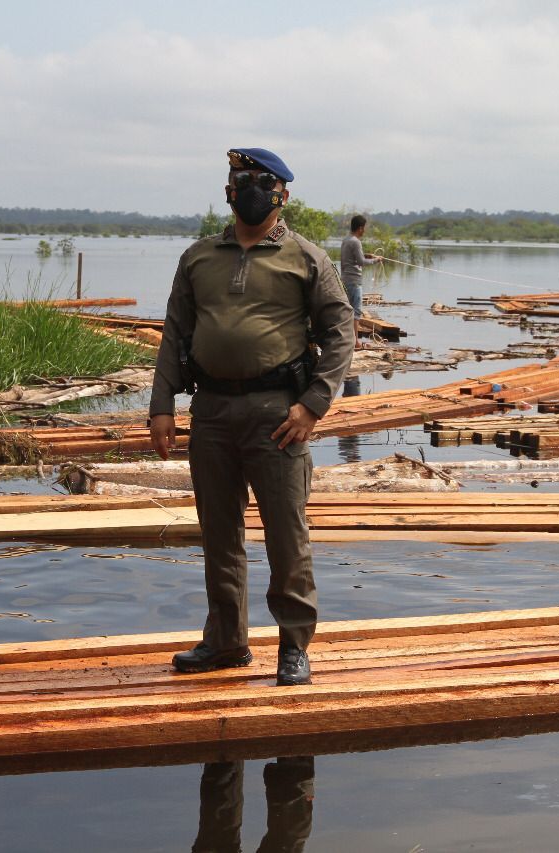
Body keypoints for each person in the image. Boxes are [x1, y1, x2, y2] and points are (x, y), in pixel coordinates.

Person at [149, 147, 355, 687]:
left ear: (282, 194)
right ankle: (225, 641)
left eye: (260, 182)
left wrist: (313, 404)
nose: (249, 190)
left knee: (286, 535)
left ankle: (294, 646)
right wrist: (162, 405)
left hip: (278, 416)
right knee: (219, 534)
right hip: (211, 412)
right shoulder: (198, 257)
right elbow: (174, 332)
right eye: (240, 181)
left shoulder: (307, 258)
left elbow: (341, 333)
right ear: (228, 191)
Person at [339, 215, 382, 347]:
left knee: (347, 311)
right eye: (364, 228)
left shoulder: (346, 240)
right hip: (354, 282)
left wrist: (368, 255)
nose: (365, 230)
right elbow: (361, 262)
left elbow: (352, 258)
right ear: (360, 228)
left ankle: (347, 339)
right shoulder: (356, 242)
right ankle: (356, 342)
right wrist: (376, 260)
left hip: (345, 280)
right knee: (356, 312)